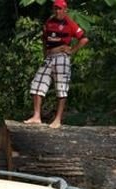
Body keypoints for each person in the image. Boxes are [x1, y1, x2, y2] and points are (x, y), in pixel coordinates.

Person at [24, 0, 88, 128]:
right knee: (37, 84)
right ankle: (37, 116)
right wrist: (45, 54)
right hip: (49, 56)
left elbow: (84, 39)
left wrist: (72, 50)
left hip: (62, 57)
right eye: (55, 9)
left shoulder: (70, 22)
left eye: (60, 9)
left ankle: (57, 119)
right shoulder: (49, 22)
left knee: (61, 87)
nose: (57, 11)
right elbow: (44, 39)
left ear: (65, 10)